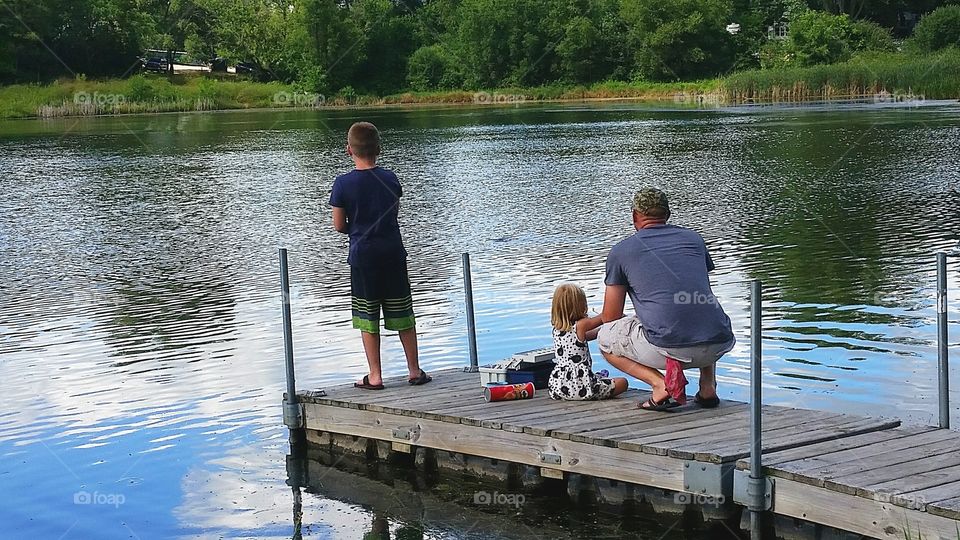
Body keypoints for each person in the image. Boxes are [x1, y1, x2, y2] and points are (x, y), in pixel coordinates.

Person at [598, 187, 735, 411]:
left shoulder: (621, 251)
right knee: (699, 308)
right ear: (668, 214)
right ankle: (708, 387)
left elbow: (610, 317)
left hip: (669, 346)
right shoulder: (694, 240)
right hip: (719, 341)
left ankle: (660, 385)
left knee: (605, 338)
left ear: (634, 216)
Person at [330, 121, 431, 390]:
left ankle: (375, 376)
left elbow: (338, 225)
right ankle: (414, 370)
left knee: (368, 316)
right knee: (402, 310)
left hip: (363, 257)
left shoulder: (342, 184)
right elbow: (392, 213)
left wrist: (357, 230)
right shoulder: (390, 179)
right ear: (379, 149)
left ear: (348, 150)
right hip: (393, 253)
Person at [548, 283, 628, 401]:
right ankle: (595, 383)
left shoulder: (557, 329)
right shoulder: (581, 325)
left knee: (599, 378)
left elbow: (590, 335)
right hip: (582, 388)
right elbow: (604, 317)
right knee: (623, 382)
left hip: (559, 386)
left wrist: (605, 329)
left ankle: (596, 379)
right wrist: (618, 315)